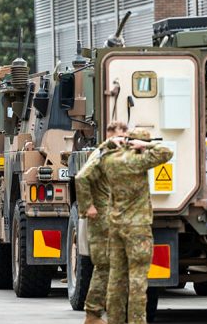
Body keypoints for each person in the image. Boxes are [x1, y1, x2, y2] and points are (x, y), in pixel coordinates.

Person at [104, 128, 173, 324]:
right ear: (139, 144)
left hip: (116, 226)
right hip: (138, 229)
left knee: (116, 280)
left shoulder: (111, 161)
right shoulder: (139, 162)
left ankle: (115, 320)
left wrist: (113, 143)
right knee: (137, 280)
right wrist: (147, 145)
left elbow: (99, 157)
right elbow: (166, 152)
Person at [75, 121, 128, 324]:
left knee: (109, 266)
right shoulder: (102, 153)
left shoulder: (112, 154)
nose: (124, 139)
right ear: (110, 134)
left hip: (109, 219)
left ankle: (100, 312)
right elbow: (81, 178)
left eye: (125, 135)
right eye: (120, 135)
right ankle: (93, 314)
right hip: (101, 221)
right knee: (103, 266)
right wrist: (88, 207)